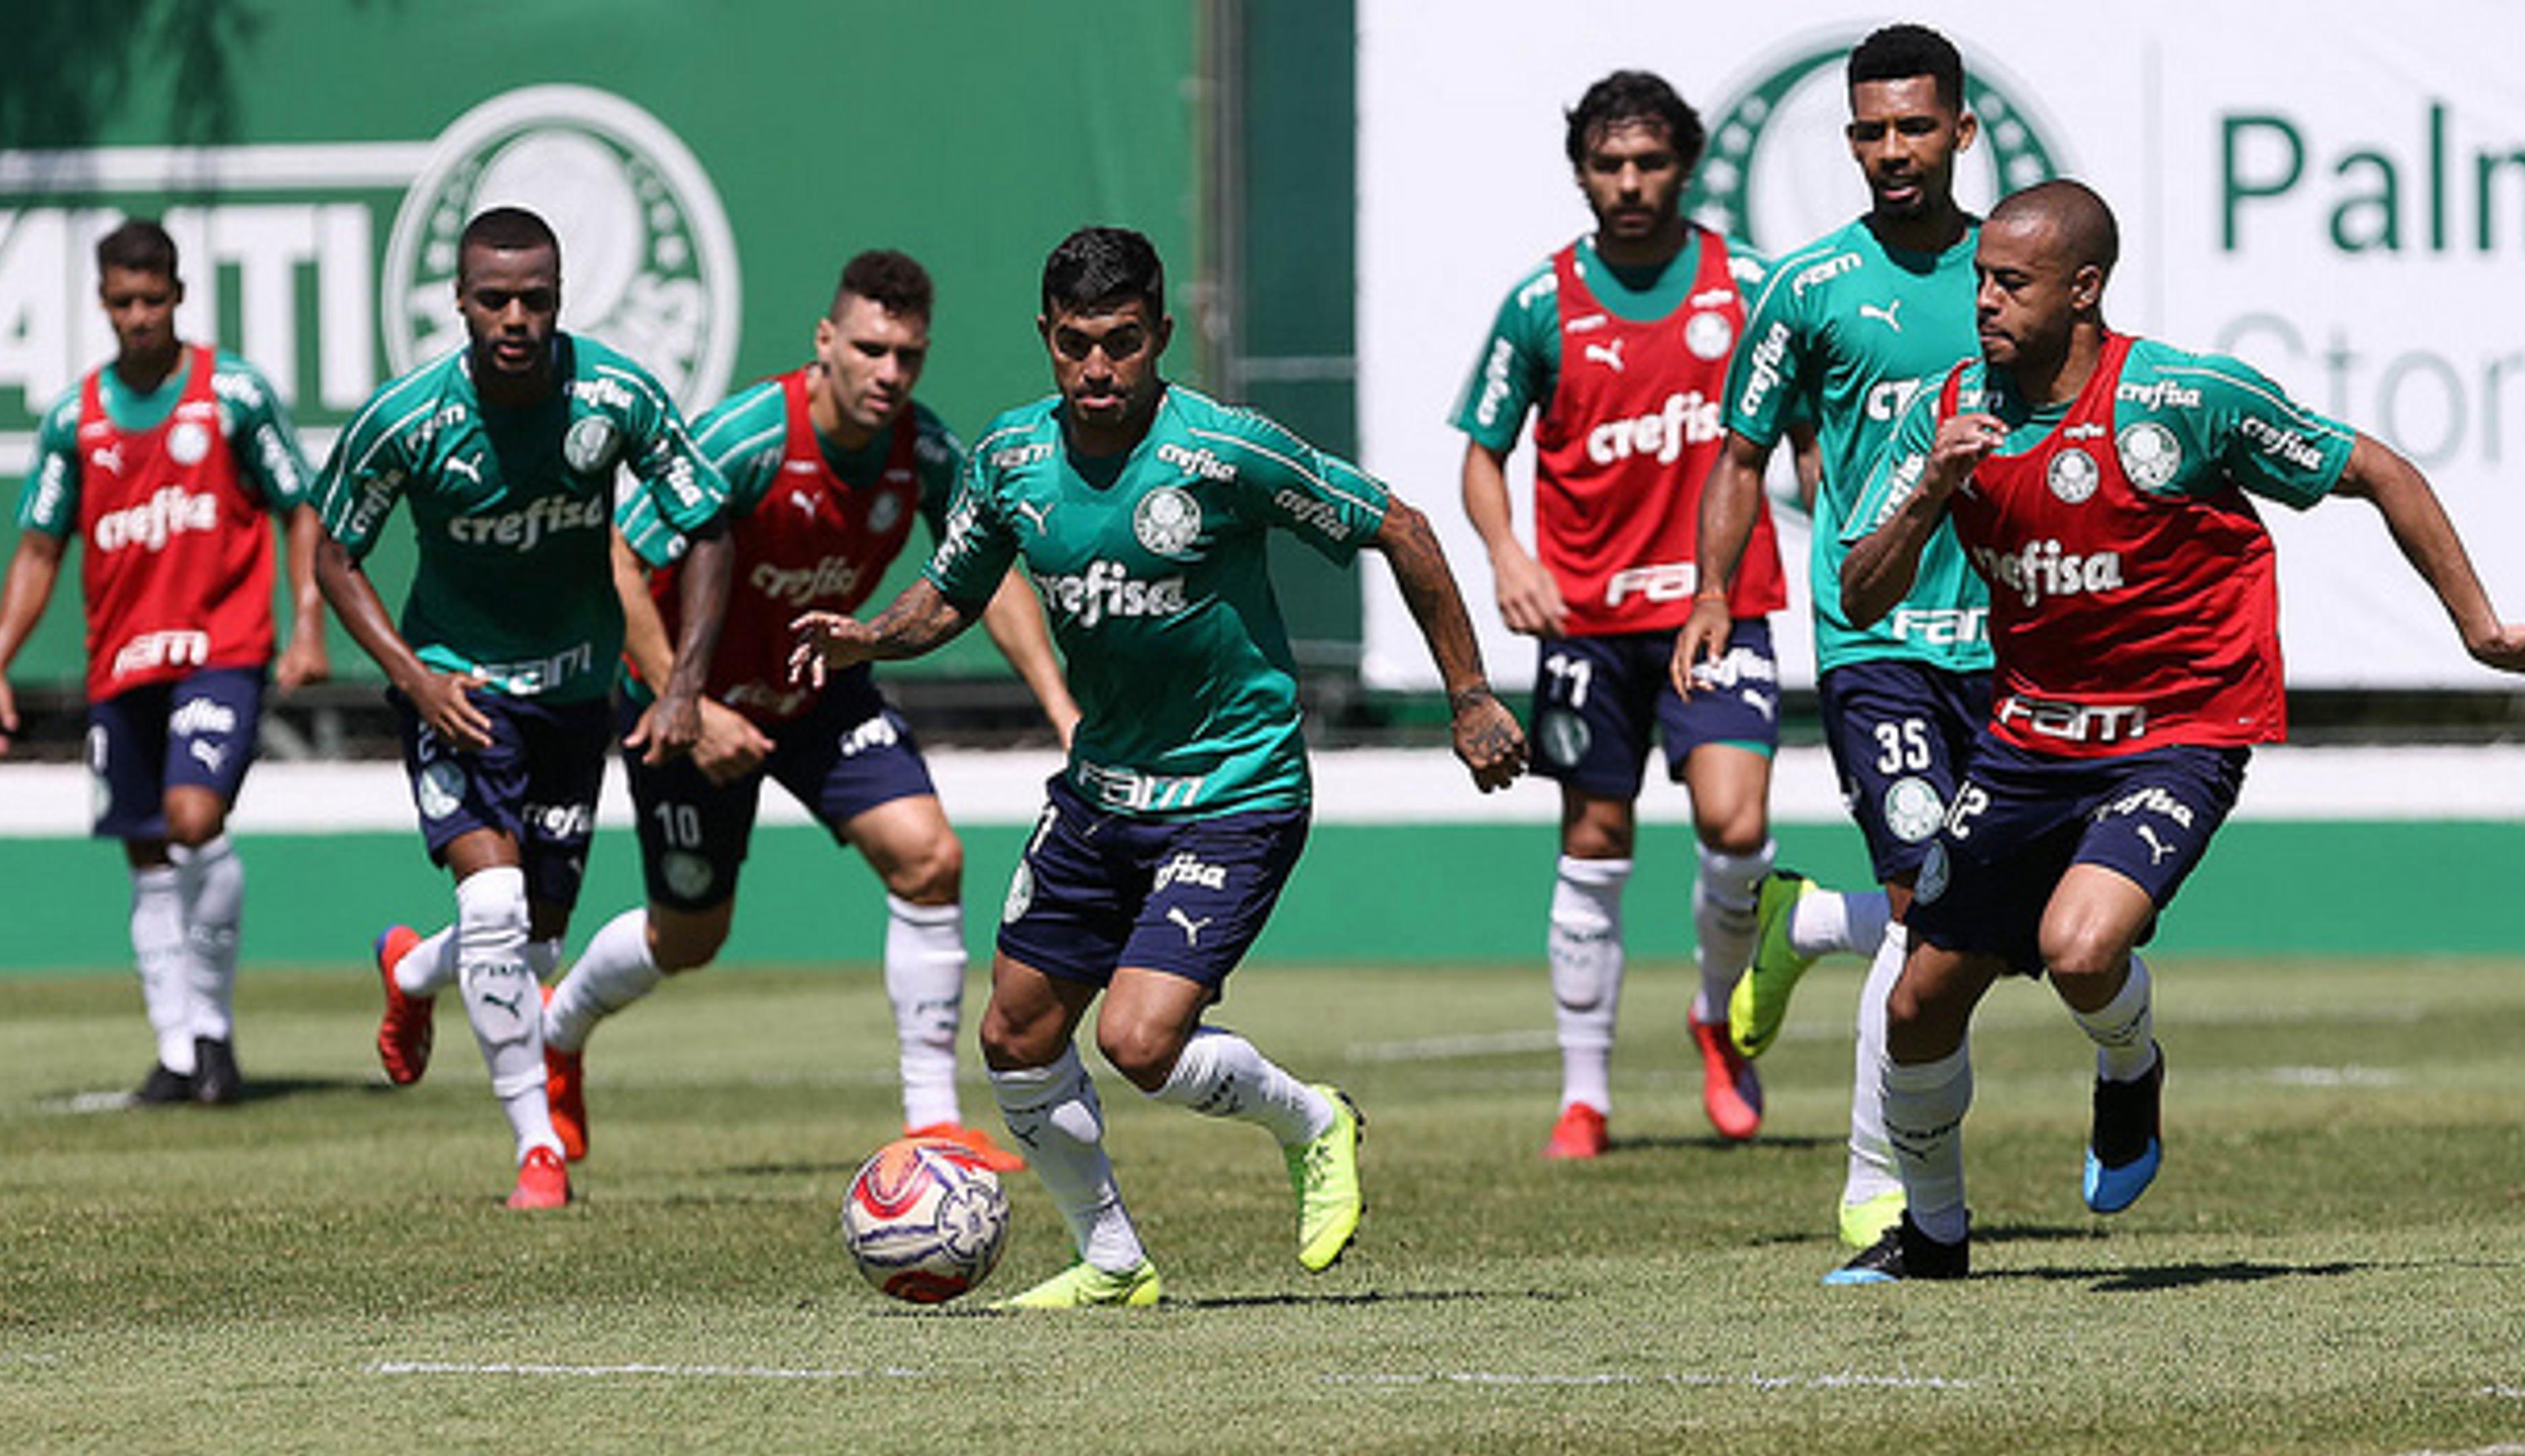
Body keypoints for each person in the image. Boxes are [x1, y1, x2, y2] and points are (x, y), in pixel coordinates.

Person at [1828, 179, 2525, 1283]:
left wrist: (2480, 629)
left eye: (2010, 282)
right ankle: (1936, 1238)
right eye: (1980, 277)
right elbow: (1857, 595)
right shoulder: (1947, 415)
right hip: (2029, 740)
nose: (1983, 299)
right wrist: (1931, 491)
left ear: (2084, 290)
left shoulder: (2187, 398)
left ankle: (2131, 1068)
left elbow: (2377, 470)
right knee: (1916, 1002)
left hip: (2180, 726)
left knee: (2080, 946)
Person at [794, 226, 1526, 1307]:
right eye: (1077, 345)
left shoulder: (1226, 455)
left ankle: (1312, 1120)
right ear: (1046, 337)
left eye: (1124, 345)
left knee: (1139, 1041)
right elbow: (948, 594)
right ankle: (1111, 1259)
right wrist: (870, 636)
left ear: (1161, 337)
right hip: (1101, 795)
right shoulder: (1009, 460)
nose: (1098, 370)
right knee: (1015, 1034)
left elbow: (1404, 530)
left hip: (1236, 790)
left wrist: (1469, 697)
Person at [539, 249, 1078, 1171]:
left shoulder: (925, 451)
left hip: (818, 691)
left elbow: (986, 579)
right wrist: (689, 702)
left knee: (930, 859)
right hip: (685, 700)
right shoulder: (748, 437)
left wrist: (1065, 713)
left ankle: (931, 1121)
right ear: (825, 341)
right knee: (690, 937)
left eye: (909, 356)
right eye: (871, 349)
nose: (890, 374)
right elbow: (618, 563)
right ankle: (560, 1027)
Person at [314, 206, 735, 1210]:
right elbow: (334, 554)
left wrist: (681, 685)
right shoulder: (407, 418)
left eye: (534, 299)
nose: (515, 317)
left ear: (559, 299)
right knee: (497, 909)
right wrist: (415, 679)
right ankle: (535, 1150)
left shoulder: (616, 395)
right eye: (493, 298)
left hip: (578, 692)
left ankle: (414, 973)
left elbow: (710, 525)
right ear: (458, 302)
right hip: (457, 687)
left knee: (537, 938)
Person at [1670, 22, 1993, 1247]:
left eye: (1917, 127)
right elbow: (1741, 453)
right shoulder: (1807, 289)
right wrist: (1713, 592)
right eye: (1872, 130)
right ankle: (1880, 1183)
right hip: (1878, 639)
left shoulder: (2013, 273)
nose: (1894, 150)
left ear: (1963, 131)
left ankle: (1805, 921)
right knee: (1925, 906)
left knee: (1997, 922)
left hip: (2006, 643)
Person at [1452, 70, 1790, 1160]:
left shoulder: (1746, 282)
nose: (1631, 183)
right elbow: (1482, 457)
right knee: (1595, 844)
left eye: (1650, 163)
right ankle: (1585, 1095)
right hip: (1589, 622)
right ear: (1584, 173)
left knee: (1736, 830)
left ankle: (1715, 1015)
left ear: (1686, 166)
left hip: (1720, 608)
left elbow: (1816, 417)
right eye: (1610, 165)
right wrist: (1509, 553)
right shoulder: (1543, 303)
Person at [0, 218, 328, 1106]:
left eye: (153, 300)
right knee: (144, 851)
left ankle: (214, 1033)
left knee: (192, 816)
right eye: (123, 301)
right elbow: (41, 550)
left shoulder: (233, 395)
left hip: (220, 650)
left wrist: (309, 622)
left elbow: (300, 507)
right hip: (122, 663)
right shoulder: (75, 420)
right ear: (103, 302)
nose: (138, 317)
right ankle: (178, 1052)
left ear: (178, 296)